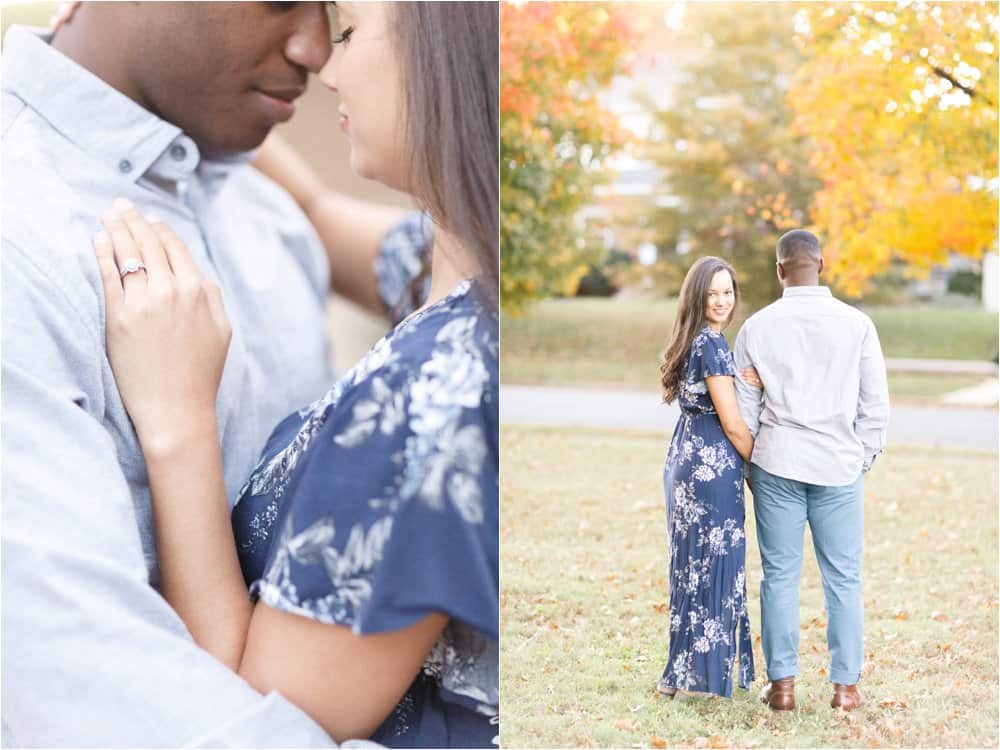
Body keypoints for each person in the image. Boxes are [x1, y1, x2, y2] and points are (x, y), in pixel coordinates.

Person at [3, 2, 435, 746]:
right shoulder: (23, 235)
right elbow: (80, 683)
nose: (313, 51)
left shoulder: (268, 214)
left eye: (333, 12)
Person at [90, 1, 498, 747]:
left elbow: (253, 719)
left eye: (348, 34)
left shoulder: (431, 394)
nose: (325, 65)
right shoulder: (477, 293)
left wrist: (179, 420)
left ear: (445, 59)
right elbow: (316, 210)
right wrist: (209, 106)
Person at [733, 229, 889, 713]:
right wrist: (860, 459)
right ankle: (845, 690)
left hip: (777, 461)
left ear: (780, 270)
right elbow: (875, 405)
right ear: (821, 264)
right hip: (838, 466)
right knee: (844, 579)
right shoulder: (856, 324)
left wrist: (754, 468)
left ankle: (782, 688)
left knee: (778, 577)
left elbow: (744, 409)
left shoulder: (756, 328)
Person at [655, 256, 756, 699]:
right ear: (698, 296)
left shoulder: (695, 340)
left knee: (690, 565)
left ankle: (678, 675)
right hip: (713, 464)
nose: (721, 301)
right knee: (716, 563)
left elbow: (718, 392)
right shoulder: (713, 345)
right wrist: (763, 469)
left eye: (727, 292)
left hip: (685, 459)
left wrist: (743, 378)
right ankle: (703, 682)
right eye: (712, 293)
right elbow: (733, 423)